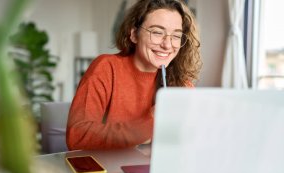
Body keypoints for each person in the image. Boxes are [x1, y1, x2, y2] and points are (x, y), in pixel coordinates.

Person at [66, 0, 202, 150]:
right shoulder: (106, 67)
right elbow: (77, 136)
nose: (167, 45)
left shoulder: (181, 85)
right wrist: (149, 123)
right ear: (134, 35)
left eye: (176, 36)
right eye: (157, 32)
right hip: (108, 170)